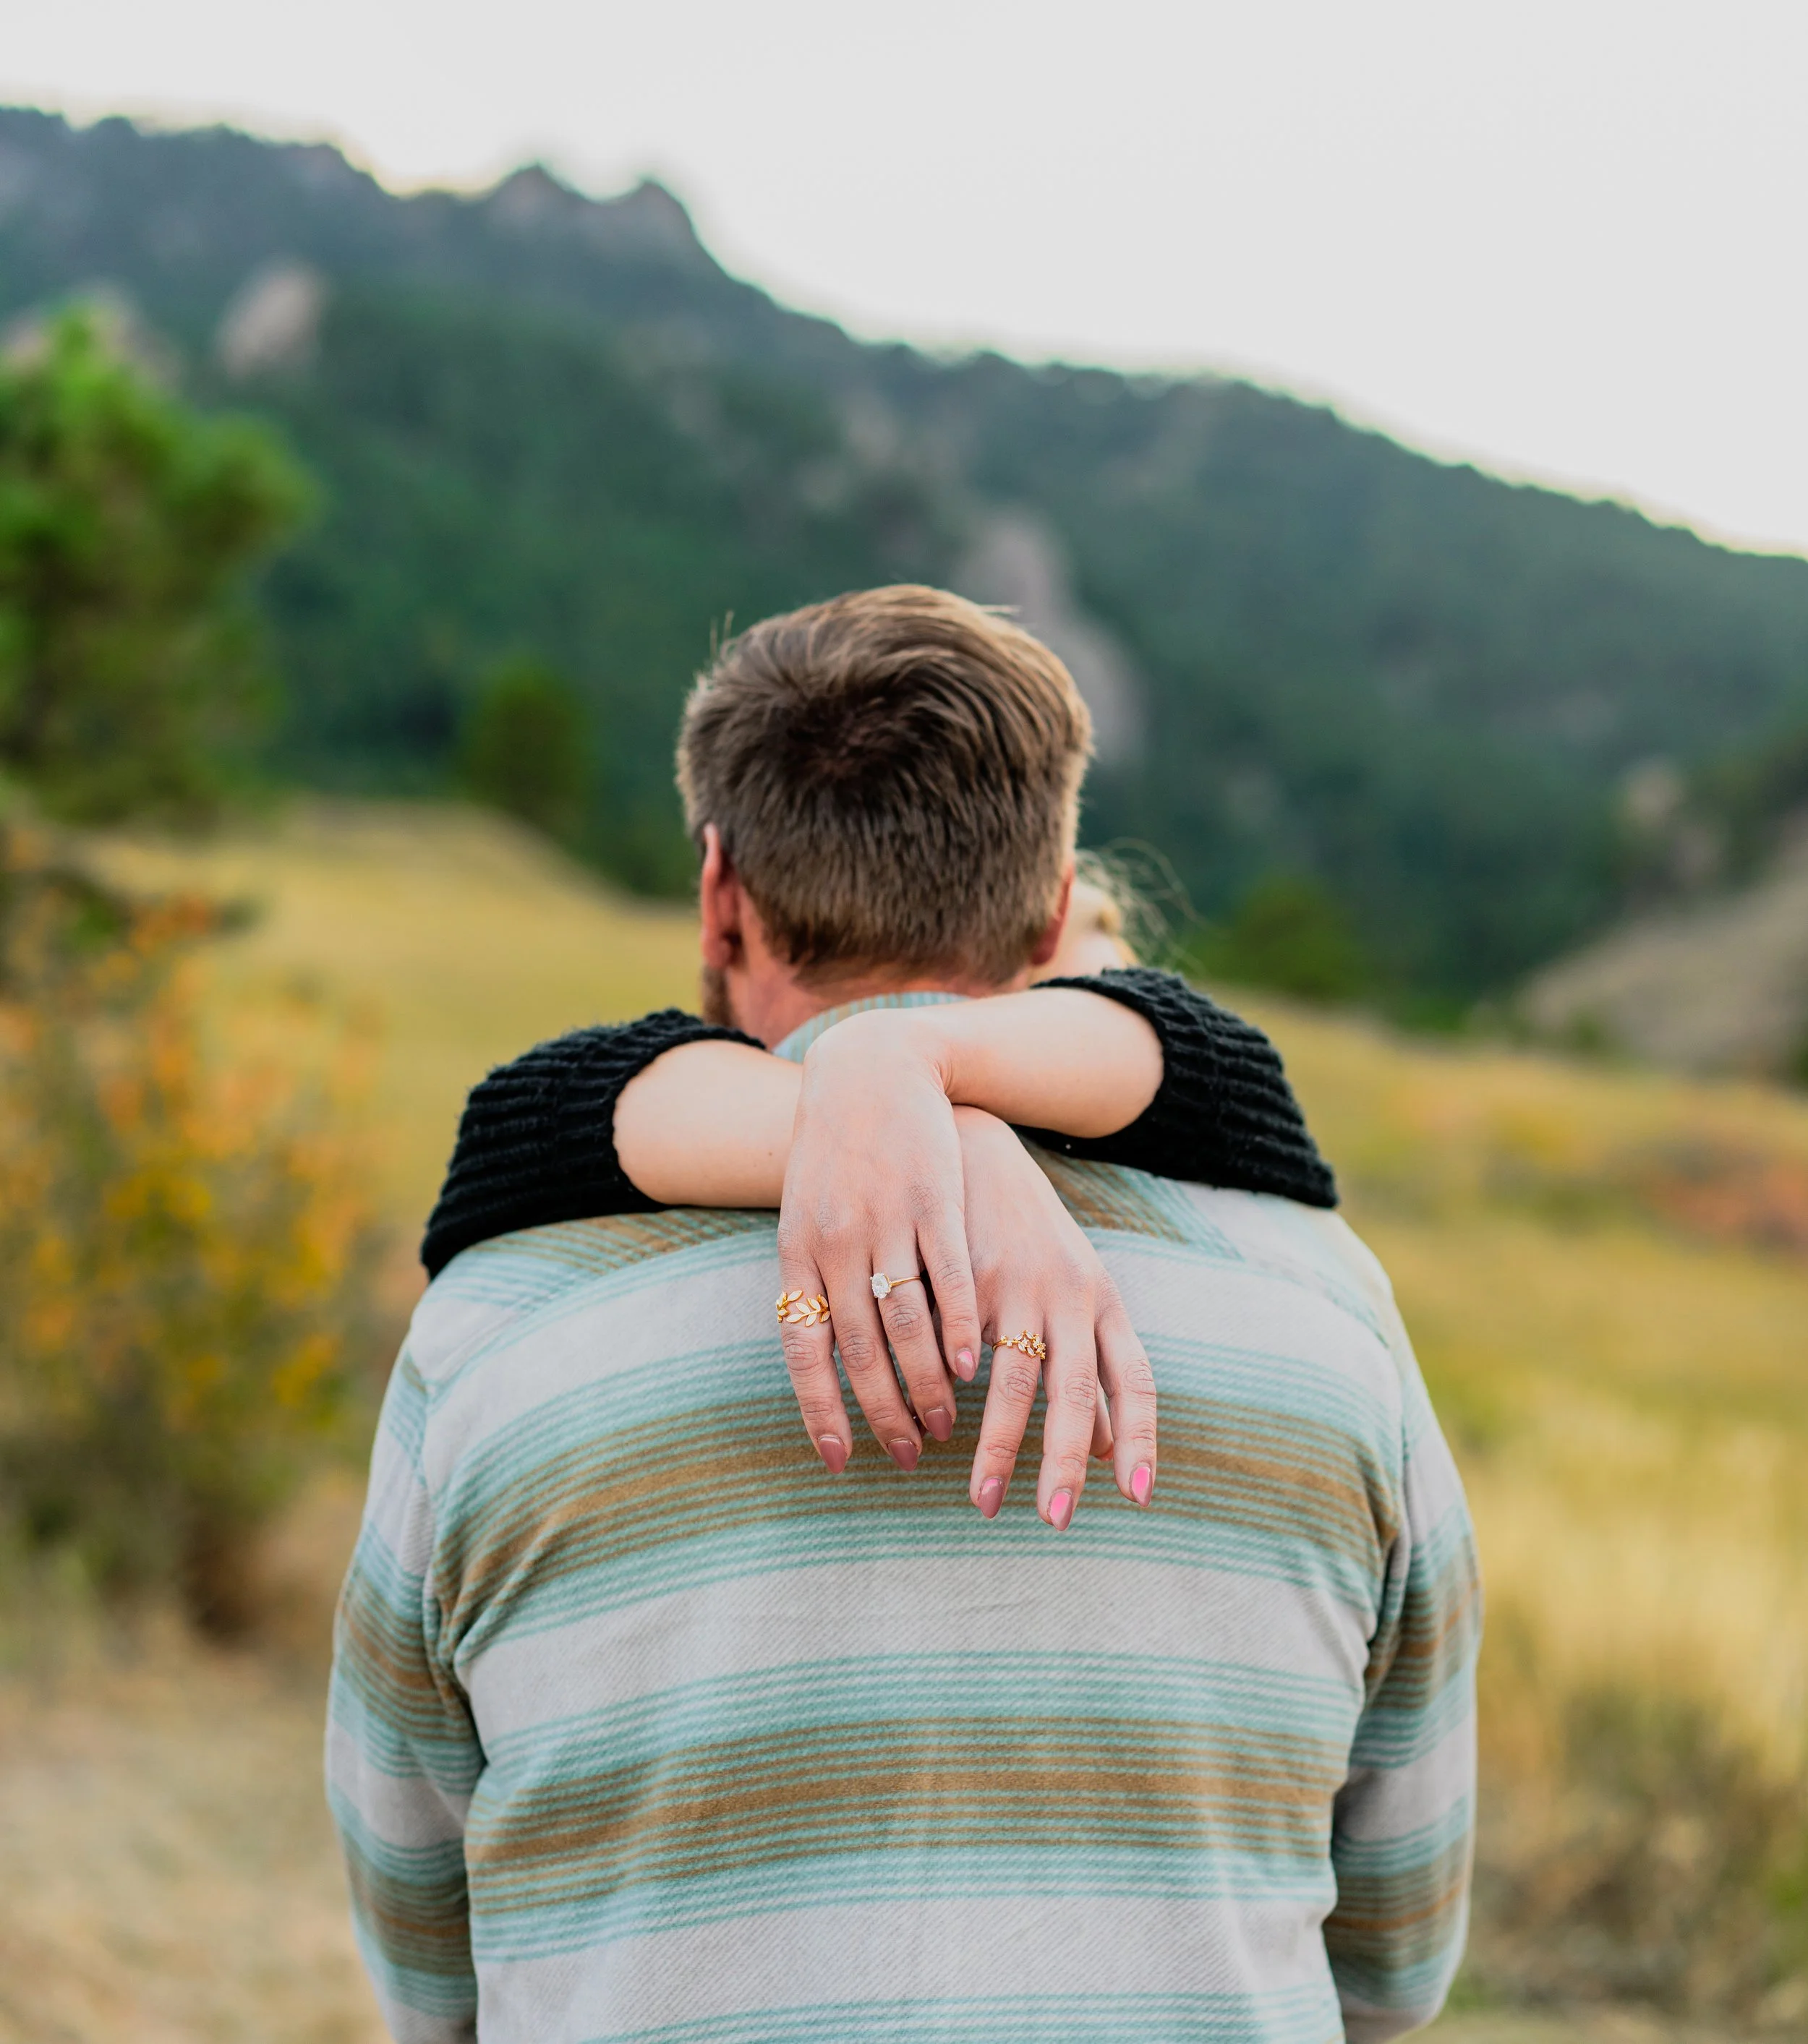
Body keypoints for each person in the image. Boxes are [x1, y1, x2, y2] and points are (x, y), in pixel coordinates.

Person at [330, 587, 1480, 2041]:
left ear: (716, 896)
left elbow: (424, 1938)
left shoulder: (498, 1330)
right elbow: (1389, 1955)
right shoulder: (1323, 1314)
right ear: (1061, 908)